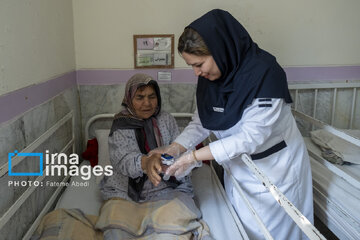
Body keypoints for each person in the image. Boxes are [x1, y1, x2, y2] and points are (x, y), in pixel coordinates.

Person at [157, 9, 314, 240]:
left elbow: (251, 138)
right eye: (191, 65)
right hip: (239, 169)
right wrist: (176, 148)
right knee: (243, 230)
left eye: (199, 64)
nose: (196, 72)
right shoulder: (210, 79)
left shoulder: (265, 74)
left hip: (277, 171)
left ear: (221, 51)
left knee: (278, 234)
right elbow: (202, 122)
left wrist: (193, 157)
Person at [99, 73, 212, 239]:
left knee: (176, 228)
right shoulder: (121, 125)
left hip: (167, 186)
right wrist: (146, 162)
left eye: (152, 97)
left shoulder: (166, 119)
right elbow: (122, 160)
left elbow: (181, 148)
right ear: (129, 98)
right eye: (140, 97)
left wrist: (172, 161)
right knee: (117, 231)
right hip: (126, 190)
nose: (147, 103)